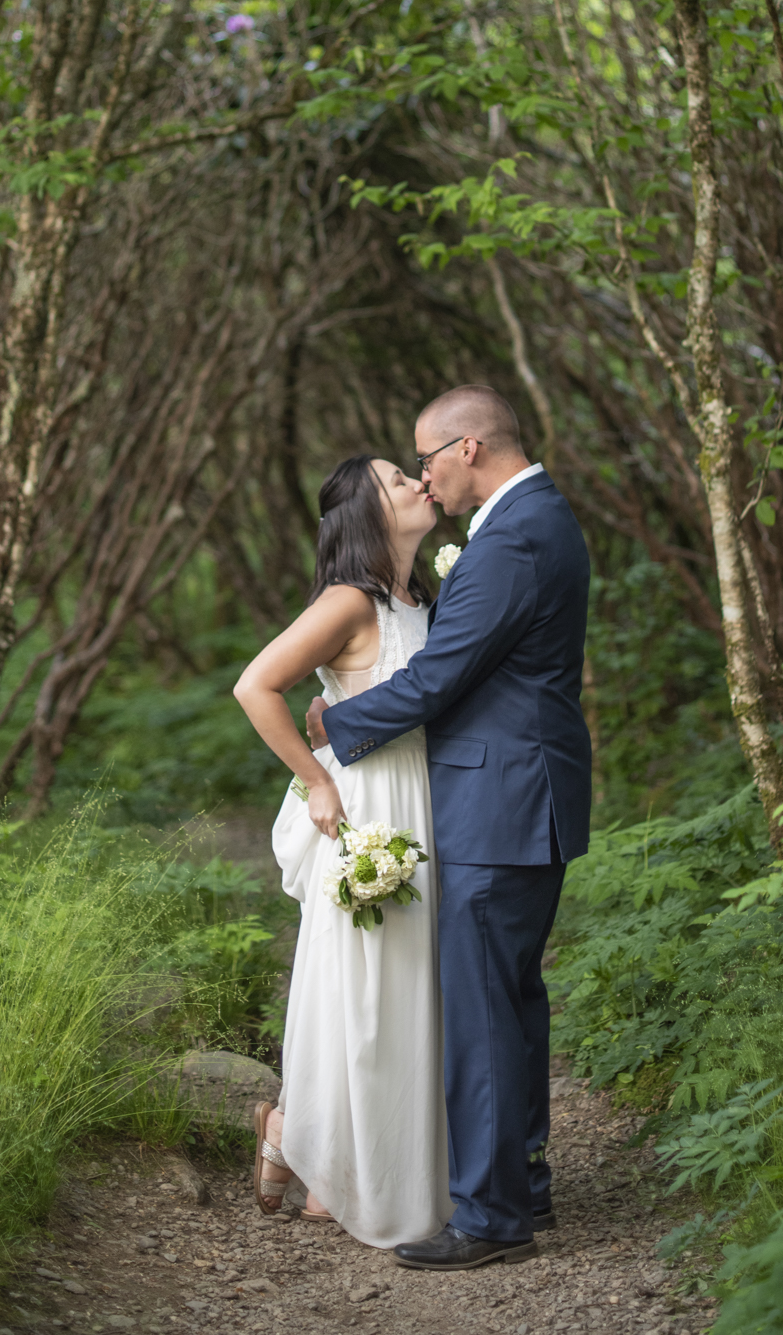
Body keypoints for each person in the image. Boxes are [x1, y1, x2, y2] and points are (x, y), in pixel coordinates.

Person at [309, 385, 592, 1272]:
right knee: (509, 1002)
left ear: (466, 448)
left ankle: (490, 1216)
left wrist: (334, 726)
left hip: (498, 803)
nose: (425, 477)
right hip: (513, 796)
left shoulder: (513, 536)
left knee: (481, 1012)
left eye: (426, 457)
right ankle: (522, 1181)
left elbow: (441, 678)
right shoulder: (535, 519)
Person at [232, 454, 448, 1247]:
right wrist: (315, 781)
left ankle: (322, 1155)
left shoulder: (420, 597)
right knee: (363, 993)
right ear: (365, 512)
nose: (417, 484)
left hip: (424, 801)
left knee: (405, 994)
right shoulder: (347, 601)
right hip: (368, 808)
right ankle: (310, 1141)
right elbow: (256, 685)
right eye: (398, 480)